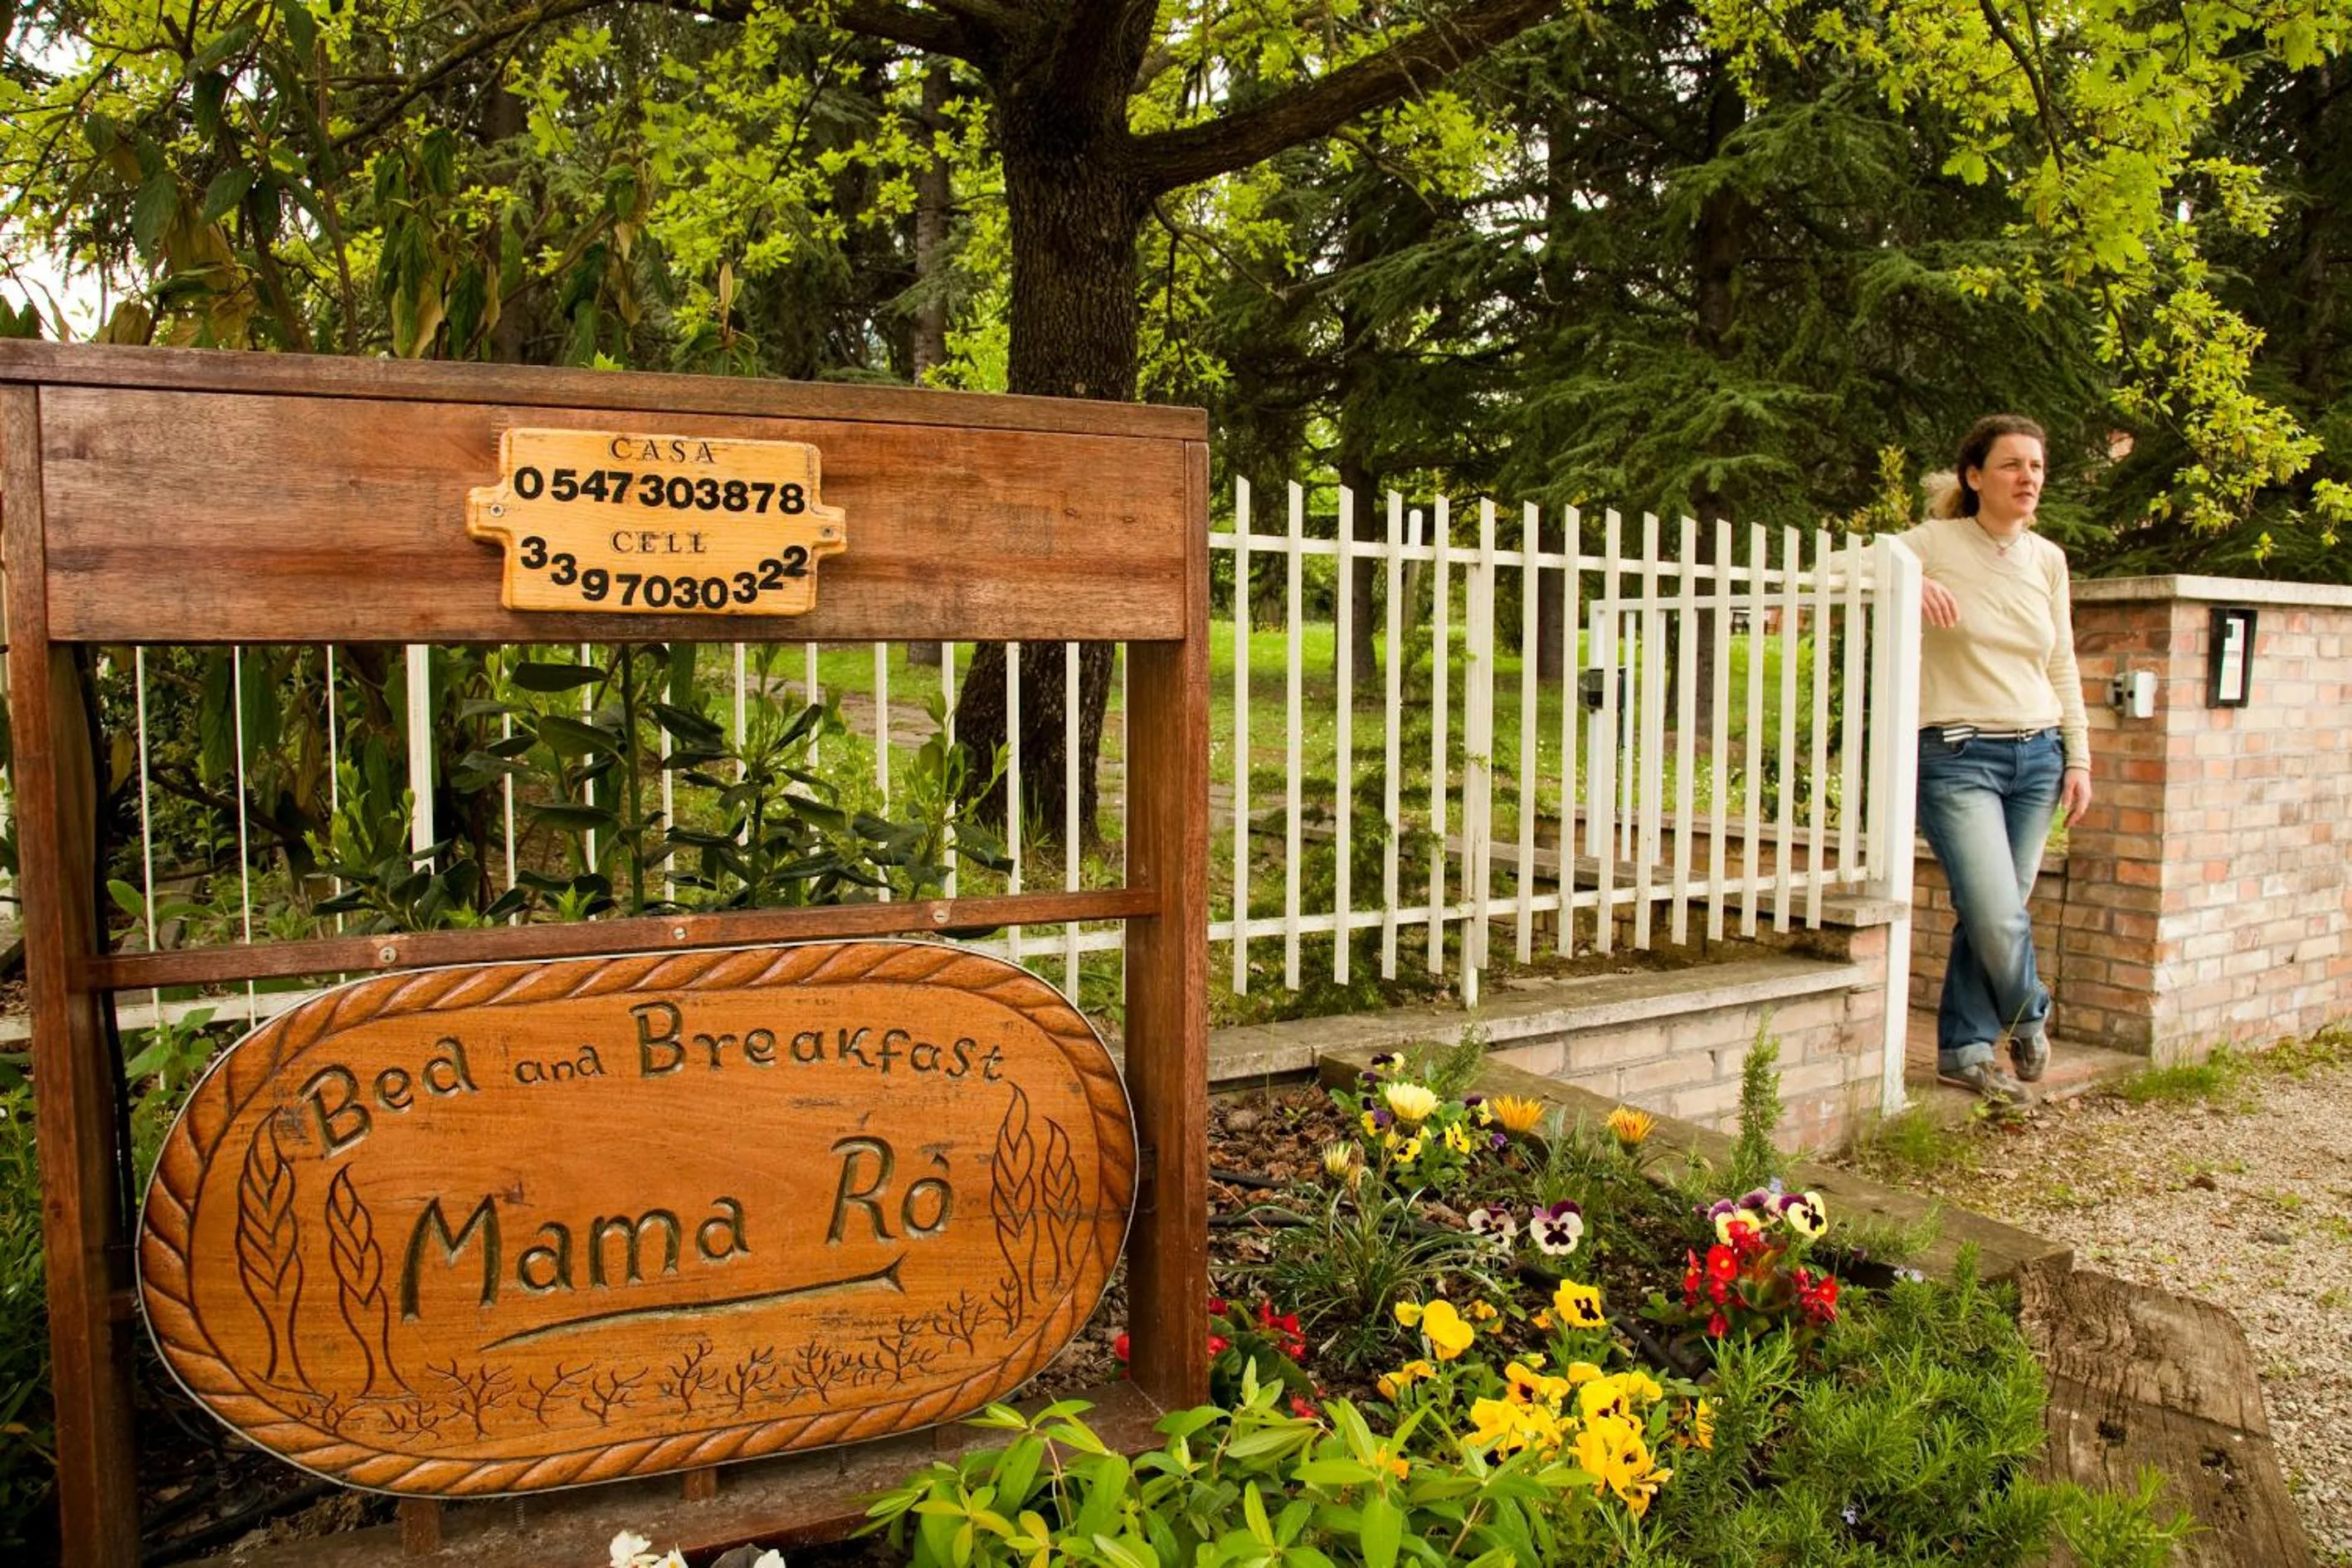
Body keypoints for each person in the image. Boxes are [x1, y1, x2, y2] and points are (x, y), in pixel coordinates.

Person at [1902, 414, 2093, 1103]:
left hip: (2037, 757)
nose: (2027, 477)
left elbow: (2060, 661)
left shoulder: (2047, 559)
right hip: (1958, 757)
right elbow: (1835, 567)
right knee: (1994, 914)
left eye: (2035, 466)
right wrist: (1903, 580)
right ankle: (2029, 1013)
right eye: (2011, 464)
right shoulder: (1932, 543)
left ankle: (1964, 1051)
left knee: (1992, 914)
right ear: (1974, 476)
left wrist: (2078, 757)